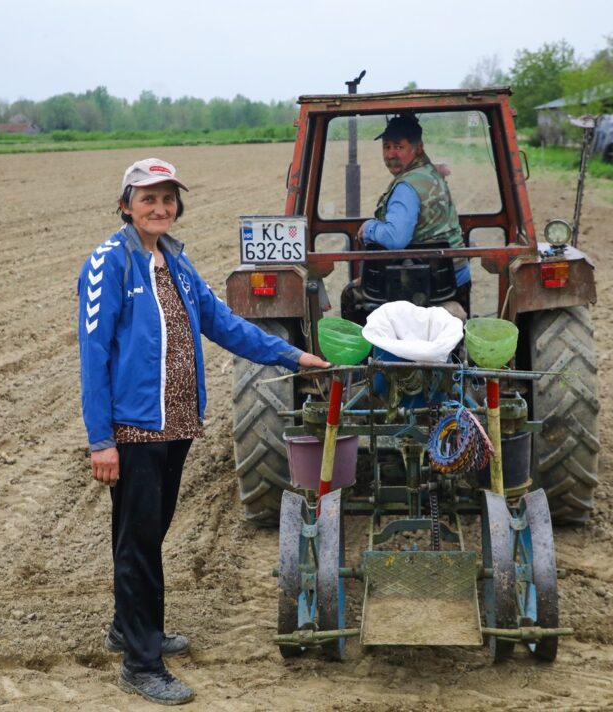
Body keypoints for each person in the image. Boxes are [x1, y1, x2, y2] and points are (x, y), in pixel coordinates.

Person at [77, 158, 329, 705]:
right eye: (148, 198)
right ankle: (141, 663)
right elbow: (93, 357)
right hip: (135, 428)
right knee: (139, 541)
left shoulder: (176, 262)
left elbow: (223, 323)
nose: (159, 208)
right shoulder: (108, 264)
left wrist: (290, 354)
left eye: (167, 199)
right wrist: (101, 441)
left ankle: (129, 627)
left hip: (178, 423)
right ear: (126, 205)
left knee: (146, 534)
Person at [355, 113, 470, 315]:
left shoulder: (406, 187)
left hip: (427, 281)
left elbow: (395, 238)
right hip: (454, 275)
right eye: (386, 146)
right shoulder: (431, 172)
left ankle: (364, 346)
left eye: (398, 147)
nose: (390, 154)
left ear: (418, 148)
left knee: (351, 294)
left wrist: (369, 228)